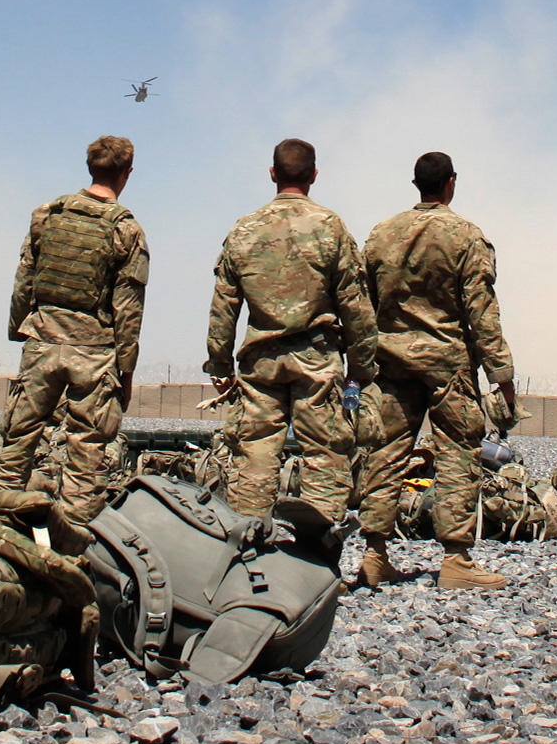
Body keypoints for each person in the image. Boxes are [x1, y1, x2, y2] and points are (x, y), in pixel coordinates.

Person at [355, 152, 519, 591]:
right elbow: (481, 311)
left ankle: (374, 556)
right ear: (451, 183)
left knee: (384, 453)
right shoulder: (465, 236)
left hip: (390, 361)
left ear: (416, 184)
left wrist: (359, 360)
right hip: (447, 365)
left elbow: (361, 303)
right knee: (459, 455)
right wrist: (502, 374)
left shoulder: (381, 235)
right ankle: (456, 560)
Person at [205, 138, 376, 556]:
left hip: (260, 361)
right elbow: (355, 303)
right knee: (325, 452)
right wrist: (362, 365)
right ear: (314, 176)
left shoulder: (244, 229)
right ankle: (316, 556)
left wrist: (220, 364)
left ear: (272, 174)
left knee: (255, 453)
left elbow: (224, 304)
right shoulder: (331, 227)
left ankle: (246, 550)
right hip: (316, 359)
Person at [0, 135, 148, 549]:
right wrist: (126, 369)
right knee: (86, 451)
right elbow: (128, 307)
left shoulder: (48, 214)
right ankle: (72, 552)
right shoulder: (126, 229)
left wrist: (18, 329)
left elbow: (25, 277)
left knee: (17, 441)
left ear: (89, 168)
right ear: (126, 174)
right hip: (95, 352)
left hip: (41, 340)